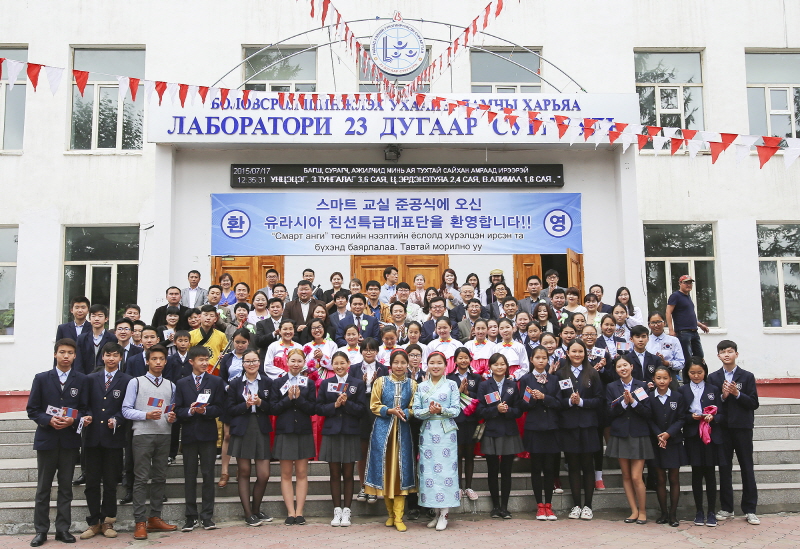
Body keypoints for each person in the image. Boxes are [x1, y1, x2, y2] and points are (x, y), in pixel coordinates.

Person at [27, 339, 89, 547]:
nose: (65, 356)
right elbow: (32, 409)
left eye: (70, 353)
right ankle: (41, 530)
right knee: (43, 488)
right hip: (47, 439)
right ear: (55, 354)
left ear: (75, 356)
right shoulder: (42, 379)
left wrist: (74, 419)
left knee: (66, 488)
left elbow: (85, 409)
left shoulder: (81, 380)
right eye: (62, 352)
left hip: (70, 441)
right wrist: (48, 420)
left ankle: (63, 529)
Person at [121, 344, 178, 540]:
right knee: (141, 478)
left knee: (160, 477)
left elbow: (172, 412)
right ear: (147, 361)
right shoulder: (135, 382)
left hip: (164, 435)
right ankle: (140, 521)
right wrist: (145, 415)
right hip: (142, 434)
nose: (158, 362)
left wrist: (171, 418)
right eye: (154, 359)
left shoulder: (171, 385)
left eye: (161, 359)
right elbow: (126, 409)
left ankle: (155, 517)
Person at [79, 342, 131, 540]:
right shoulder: (90, 379)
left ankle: (108, 521)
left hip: (114, 439)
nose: (111, 358)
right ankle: (93, 523)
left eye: (115, 355)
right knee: (91, 483)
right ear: (102, 357)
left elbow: (127, 406)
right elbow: (83, 404)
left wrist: (117, 419)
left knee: (110, 482)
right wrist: (87, 415)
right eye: (108, 355)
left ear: (120, 358)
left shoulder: (127, 380)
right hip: (92, 437)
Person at [364, 349, 417, 532]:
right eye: (396, 362)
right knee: (385, 472)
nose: (400, 366)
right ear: (390, 364)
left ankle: (400, 516)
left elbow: (414, 407)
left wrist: (406, 412)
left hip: (403, 431)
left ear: (408, 364)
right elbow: (374, 405)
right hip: (383, 432)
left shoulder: (412, 384)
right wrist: (389, 410)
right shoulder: (381, 381)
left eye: (403, 362)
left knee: (401, 473)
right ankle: (390, 515)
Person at [708, 340, 760, 525]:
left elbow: (754, 403)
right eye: (723, 352)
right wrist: (723, 396)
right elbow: (711, 403)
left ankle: (750, 509)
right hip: (722, 429)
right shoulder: (713, 378)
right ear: (718, 356)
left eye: (730, 351)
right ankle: (727, 507)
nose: (727, 355)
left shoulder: (746, 377)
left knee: (747, 467)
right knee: (724, 468)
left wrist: (737, 394)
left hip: (742, 428)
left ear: (736, 354)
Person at [175, 346, 224, 532]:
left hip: (208, 434)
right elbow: (177, 410)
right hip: (188, 434)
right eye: (200, 360)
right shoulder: (181, 383)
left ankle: (207, 516)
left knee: (208, 474)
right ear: (191, 362)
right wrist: (189, 411)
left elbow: (220, 407)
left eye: (206, 359)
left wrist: (205, 410)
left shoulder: (216, 381)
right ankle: (190, 516)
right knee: (189, 475)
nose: (204, 363)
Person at [316, 351, 366, 527]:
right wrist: (335, 405)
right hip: (332, 432)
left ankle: (347, 511)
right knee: (334, 473)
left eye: (342, 363)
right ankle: (336, 510)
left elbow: (361, 409)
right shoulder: (326, 383)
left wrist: (347, 404)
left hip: (350, 432)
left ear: (348, 363)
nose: (339, 367)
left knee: (348, 473)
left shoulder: (357, 384)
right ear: (332, 365)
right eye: (335, 363)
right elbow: (319, 408)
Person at [412, 351, 460, 531]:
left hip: (446, 432)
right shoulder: (421, 386)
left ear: (445, 365)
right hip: (428, 432)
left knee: (446, 472)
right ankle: (436, 511)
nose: (436, 366)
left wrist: (441, 410)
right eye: (432, 362)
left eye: (439, 362)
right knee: (430, 473)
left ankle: (445, 513)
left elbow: (456, 410)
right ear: (427, 365)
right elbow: (416, 411)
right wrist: (429, 412)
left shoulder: (452, 385)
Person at [226, 349, 274, 526]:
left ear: (259, 363)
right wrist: (244, 405)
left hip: (260, 427)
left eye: (254, 361)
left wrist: (261, 403)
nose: (251, 364)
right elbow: (229, 409)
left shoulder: (268, 382)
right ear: (242, 364)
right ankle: (248, 513)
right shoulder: (235, 384)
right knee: (244, 472)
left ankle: (256, 509)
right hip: (242, 428)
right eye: (247, 361)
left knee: (264, 474)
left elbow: (273, 407)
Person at [270, 349, 317, 525]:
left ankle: (300, 511)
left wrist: (298, 399)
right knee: (286, 474)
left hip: (303, 430)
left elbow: (313, 409)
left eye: (299, 361)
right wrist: (288, 398)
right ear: (286, 361)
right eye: (293, 361)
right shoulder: (278, 383)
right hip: (285, 430)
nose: (296, 364)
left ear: (304, 363)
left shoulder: (309, 383)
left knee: (302, 473)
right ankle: (290, 512)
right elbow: (273, 408)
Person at [606, 354, 653, 525]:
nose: (623, 369)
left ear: (631, 366)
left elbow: (648, 412)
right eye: (619, 366)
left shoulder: (641, 386)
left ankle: (643, 511)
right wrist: (623, 404)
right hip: (620, 434)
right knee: (625, 475)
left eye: (625, 365)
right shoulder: (611, 387)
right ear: (616, 370)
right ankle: (633, 510)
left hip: (638, 434)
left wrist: (633, 402)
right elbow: (609, 413)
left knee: (636, 477)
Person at [558, 339, 603, 520]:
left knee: (587, 465)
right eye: (574, 351)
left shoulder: (592, 373)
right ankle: (576, 505)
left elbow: (600, 400)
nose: (577, 355)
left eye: (580, 351)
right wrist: (570, 401)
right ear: (567, 353)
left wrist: (582, 402)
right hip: (569, 426)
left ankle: (588, 506)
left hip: (588, 425)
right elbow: (557, 400)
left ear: (585, 353)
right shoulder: (561, 374)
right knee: (573, 466)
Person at [678, 356, 724, 527]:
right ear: (687, 373)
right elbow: (680, 415)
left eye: (699, 372)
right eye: (692, 373)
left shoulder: (713, 388)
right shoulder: (683, 391)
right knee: (696, 473)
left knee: (710, 473)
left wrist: (714, 417)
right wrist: (691, 417)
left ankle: (711, 511)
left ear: (705, 372)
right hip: (693, 436)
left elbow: (722, 413)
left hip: (710, 435)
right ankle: (699, 511)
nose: (696, 376)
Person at [477, 353, 523, 519]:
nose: (499, 367)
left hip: (509, 431)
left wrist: (508, 410)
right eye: (496, 364)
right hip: (491, 431)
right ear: (490, 367)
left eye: (502, 364)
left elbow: (518, 410)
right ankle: (495, 506)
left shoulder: (512, 385)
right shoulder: (484, 386)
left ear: (507, 366)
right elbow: (479, 410)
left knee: (506, 471)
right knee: (492, 470)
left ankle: (505, 507)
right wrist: (495, 410)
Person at [519, 346, 561, 521]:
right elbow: (523, 405)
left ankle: (549, 506)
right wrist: (533, 399)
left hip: (551, 428)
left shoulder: (554, 379)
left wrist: (545, 398)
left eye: (544, 357)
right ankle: (539, 506)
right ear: (531, 360)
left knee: (549, 467)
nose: (541, 360)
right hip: (534, 428)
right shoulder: (526, 379)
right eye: (538, 357)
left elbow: (560, 403)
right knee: (536, 468)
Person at [649, 366, 688, 527]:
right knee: (660, 479)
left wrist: (668, 434)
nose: (662, 381)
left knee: (674, 478)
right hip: (657, 443)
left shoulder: (678, 397)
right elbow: (649, 419)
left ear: (670, 379)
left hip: (673, 442)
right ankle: (663, 513)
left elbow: (681, 418)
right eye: (658, 378)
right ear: (654, 379)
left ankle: (673, 514)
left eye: (665, 378)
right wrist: (659, 434)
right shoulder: (650, 397)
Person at [351, 338, 386, 503]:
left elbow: (387, 392)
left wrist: (374, 386)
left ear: (377, 351)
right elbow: (349, 391)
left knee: (377, 450)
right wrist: (362, 383)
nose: (369, 352)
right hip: (361, 410)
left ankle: (376, 486)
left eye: (372, 349)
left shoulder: (384, 369)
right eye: (365, 349)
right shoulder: (354, 369)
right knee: (362, 451)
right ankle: (363, 487)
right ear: (361, 351)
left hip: (378, 410)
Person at [445, 347, 480, 502]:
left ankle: (469, 486)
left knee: (470, 455)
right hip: (455, 421)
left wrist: (468, 394)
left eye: (466, 357)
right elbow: (445, 398)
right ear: (455, 360)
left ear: (470, 359)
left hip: (471, 421)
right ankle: (458, 486)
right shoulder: (449, 378)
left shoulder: (476, 378)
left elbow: (481, 397)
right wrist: (458, 392)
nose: (463, 360)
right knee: (457, 455)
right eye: (460, 358)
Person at [665, 275, 710, 383]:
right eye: (686, 282)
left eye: (690, 283)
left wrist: (700, 325)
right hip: (683, 332)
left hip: (694, 331)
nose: (688, 285)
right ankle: (687, 382)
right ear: (680, 283)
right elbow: (668, 312)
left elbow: (690, 315)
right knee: (687, 358)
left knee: (699, 357)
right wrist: (671, 330)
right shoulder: (675, 296)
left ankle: (701, 381)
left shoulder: (688, 297)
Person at [76, 304, 118, 375]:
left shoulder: (112, 338)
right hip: (84, 377)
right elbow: (78, 361)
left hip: (104, 377)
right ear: (89, 319)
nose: (96, 319)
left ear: (106, 319)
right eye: (93, 316)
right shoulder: (82, 338)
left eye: (100, 316)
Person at [646, 311, 685, 381]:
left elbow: (681, 363)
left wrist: (667, 363)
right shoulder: (645, 340)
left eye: (658, 322)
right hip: (649, 376)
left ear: (664, 323)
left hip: (669, 375)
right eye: (653, 323)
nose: (656, 325)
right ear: (649, 325)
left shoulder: (673, 340)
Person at [189, 305, 228, 374]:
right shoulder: (191, 335)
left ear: (215, 319)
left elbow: (226, 352)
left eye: (211, 316)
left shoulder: (221, 335)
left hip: (215, 370)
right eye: (205, 315)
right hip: (196, 370)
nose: (208, 318)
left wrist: (224, 356)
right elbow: (187, 354)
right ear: (199, 317)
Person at [254, 297, 285, 361]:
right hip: (267, 357)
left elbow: (296, 339)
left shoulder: (290, 323)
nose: (275, 309)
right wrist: (273, 334)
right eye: (273, 307)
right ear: (268, 309)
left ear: (282, 309)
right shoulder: (261, 324)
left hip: (286, 357)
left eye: (278, 307)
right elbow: (259, 341)